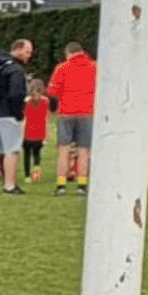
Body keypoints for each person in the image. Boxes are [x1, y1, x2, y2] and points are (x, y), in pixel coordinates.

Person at [0, 39, 33, 194]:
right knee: (12, 150)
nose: (29, 56)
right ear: (17, 49)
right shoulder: (16, 70)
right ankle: (9, 185)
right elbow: (16, 94)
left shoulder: (0, 66)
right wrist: (19, 115)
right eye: (27, 51)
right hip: (10, 114)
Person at [49, 42, 95, 195]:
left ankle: (61, 185)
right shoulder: (94, 67)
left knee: (64, 150)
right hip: (87, 112)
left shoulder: (62, 67)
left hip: (66, 112)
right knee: (84, 151)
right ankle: (82, 185)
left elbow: (53, 90)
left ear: (68, 53)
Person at [22, 77, 50, 181]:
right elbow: (46, 119)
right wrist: (46, 135)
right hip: (37, 133)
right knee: (35, 154)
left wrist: (20, 135)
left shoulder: (27, 102)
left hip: (29, 133)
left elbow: (24, 119)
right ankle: (35, 172)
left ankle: (28, 175)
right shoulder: (45, 102)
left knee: (28, 155)